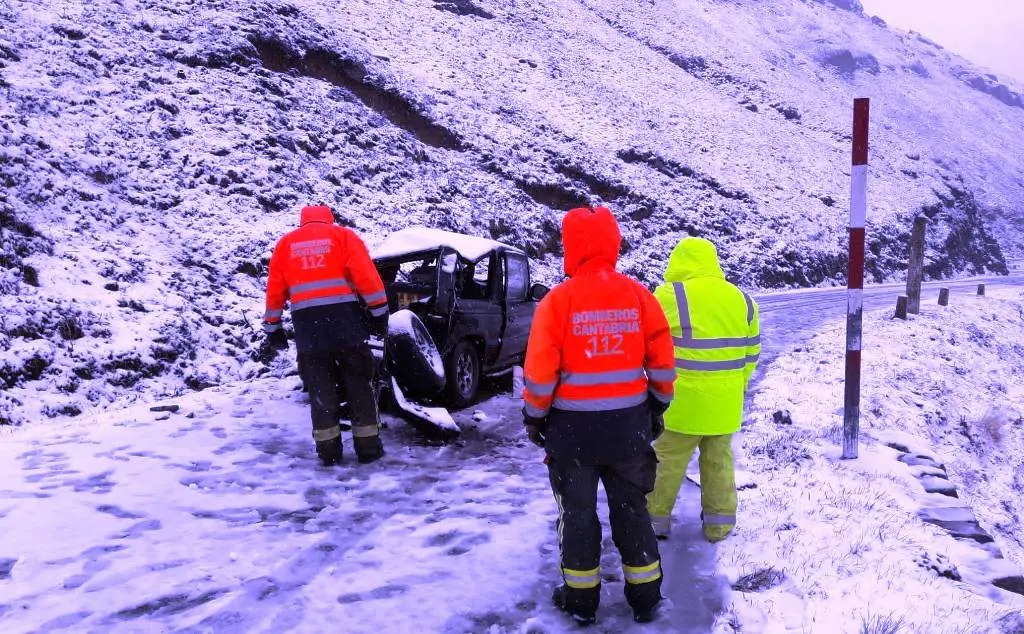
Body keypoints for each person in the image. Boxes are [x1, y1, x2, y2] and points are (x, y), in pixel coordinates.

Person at [522, 205, 676, 625]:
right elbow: (662, 364)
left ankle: (580, 599)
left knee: (577, 514)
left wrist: (535, 419)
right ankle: (645, 595)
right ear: (613, 243)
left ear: (569, 247)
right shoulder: (638, 296)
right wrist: (657, 404)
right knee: (631, 508)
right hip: (629, 429)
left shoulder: (557, 302)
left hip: (572, 434)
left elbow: (539, 373)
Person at [646, 237, 760, 543]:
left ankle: (655, 523)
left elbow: (648, 345)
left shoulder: (669, 295)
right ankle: (719, 526)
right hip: (725, 404)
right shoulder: (742, 299)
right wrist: (733, 384)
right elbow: (752, 353)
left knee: (666, 464)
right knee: (718, 463)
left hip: (681, 404)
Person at [262, 204, 390, 466]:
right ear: (329, 219)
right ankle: (368, 448)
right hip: (346, 322)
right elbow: (367, 276)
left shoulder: (285, 245)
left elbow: (275, 290)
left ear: (303, 222)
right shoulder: (343, 237)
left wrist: (273, 326)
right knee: (359, 383)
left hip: (308, 328)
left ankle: (328, 451)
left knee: (321, 387)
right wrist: (380, 313)